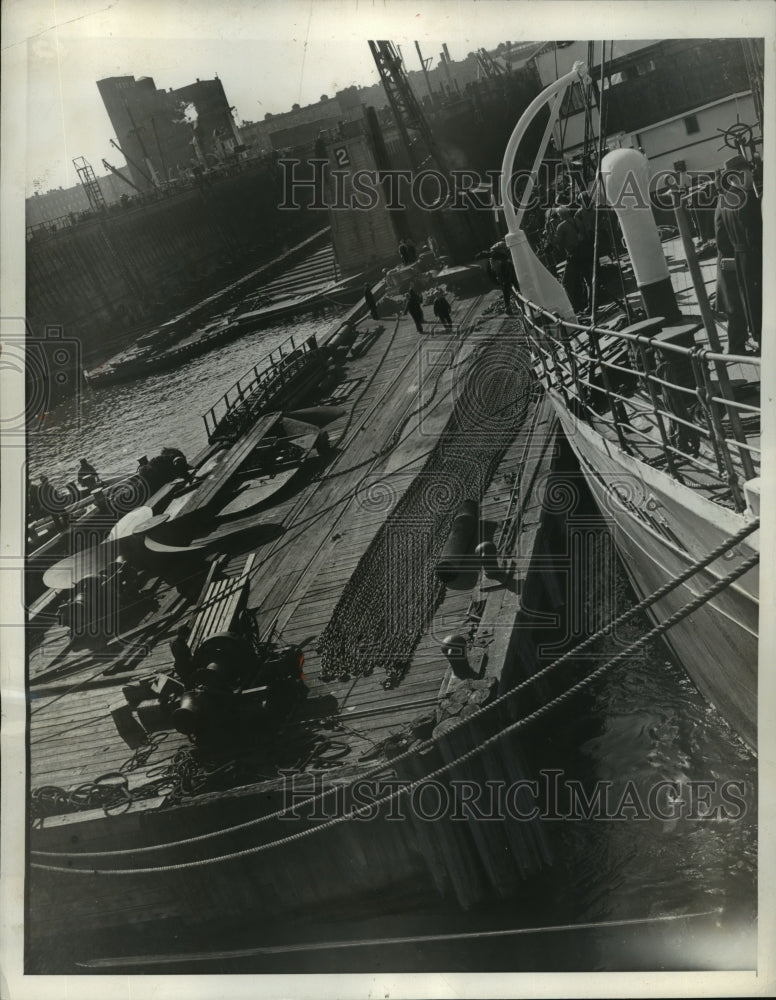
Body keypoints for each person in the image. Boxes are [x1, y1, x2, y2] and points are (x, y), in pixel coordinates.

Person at [714, 155, 762, 351]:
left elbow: (720, 234)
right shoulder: (748, 200)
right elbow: (754, 236)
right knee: (757, 302)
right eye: (750, 172)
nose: (752, 175)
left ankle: (747, 343)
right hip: (752, 258)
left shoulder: (724, 200)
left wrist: (730, 257)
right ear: (741, 174)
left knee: (747, 305)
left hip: (737, 259)